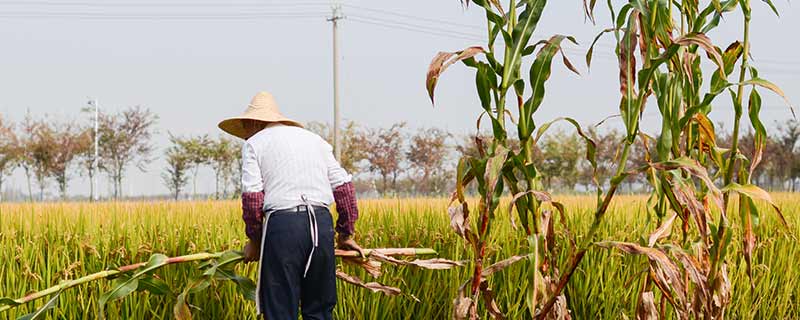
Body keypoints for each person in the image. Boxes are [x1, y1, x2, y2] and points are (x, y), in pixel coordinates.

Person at [218, 91, 364, 320]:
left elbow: (252, 198)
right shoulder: (314, 140)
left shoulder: (254, 144)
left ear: (255, 122)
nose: (245, 135)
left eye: (245, 128)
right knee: (319, 310)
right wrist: (346, 234)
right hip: (321, 226)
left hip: (284, 228)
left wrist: (254, 242)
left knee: (280, 309)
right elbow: (344, 187)